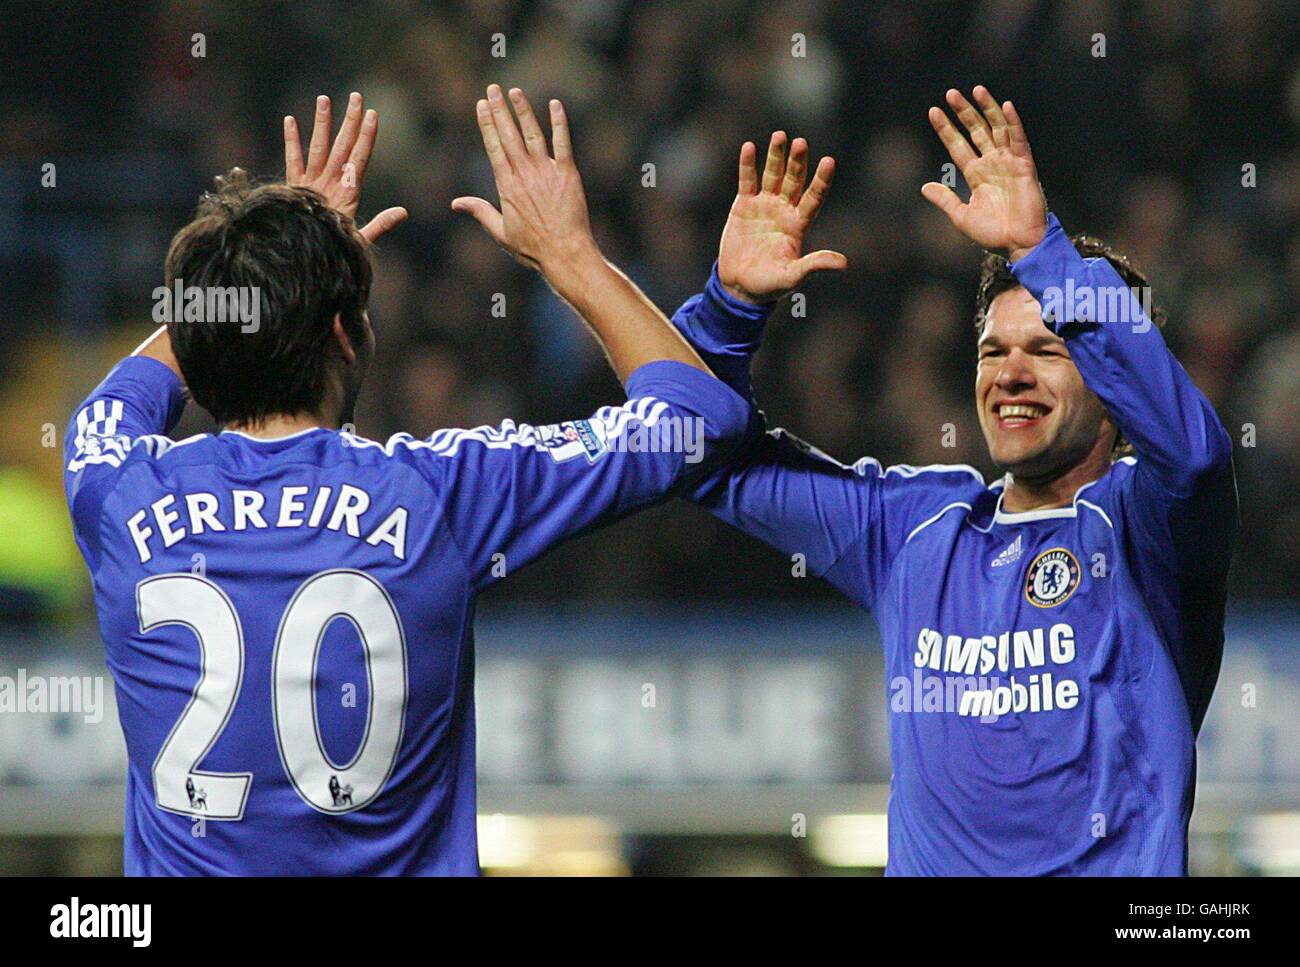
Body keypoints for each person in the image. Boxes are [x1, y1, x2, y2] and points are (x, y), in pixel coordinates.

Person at [63, 86, 753, 874]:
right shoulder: (436, 495)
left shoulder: (116, 490)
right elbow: (697, 420)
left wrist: (269, 280)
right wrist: (571, 259)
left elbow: (121, 397)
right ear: (344, 336)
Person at [670, 86, 1237, 874]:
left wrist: (1043, 253)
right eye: (992, 351)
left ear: (1115, 386)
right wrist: (728, 312)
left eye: (1046, 351)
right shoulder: (915, 529)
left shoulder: (1147, 528)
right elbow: (692, 457)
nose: (1009, 375)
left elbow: (1197, 452)